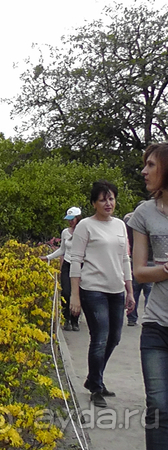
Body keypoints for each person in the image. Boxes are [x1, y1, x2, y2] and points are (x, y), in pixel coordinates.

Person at [69, 180, 136, 409]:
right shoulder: (85, 226)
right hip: (93, 289)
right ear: (94, 203)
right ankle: (96, 387)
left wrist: (130, 290)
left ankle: (94, 377)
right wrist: (74, 296)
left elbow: (125, 258)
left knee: (114, 337)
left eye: (111, 198)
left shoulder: (120, 225)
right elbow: (75, 260)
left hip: (116, 289)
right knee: (100, 337)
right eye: (102, 199)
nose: (108, 203)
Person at [129, 142, 168, 448]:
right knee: (157, 406)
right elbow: (140, 271)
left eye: (151, 165)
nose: (144, 171)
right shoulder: (144, 213)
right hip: (156, 325)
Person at [41, 206, 82, 331]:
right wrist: (48, 257)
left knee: (79, 293)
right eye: (69, 219)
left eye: (72, 219)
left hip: (81, 265)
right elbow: (62, 249)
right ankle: (67, 319)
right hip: (68, 264)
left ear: (78, 218)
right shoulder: (65, 232)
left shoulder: (84, 231)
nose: (70, 222)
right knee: (66, 292)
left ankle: (76, 321)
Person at [124, 202, 153, 326]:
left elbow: (126, 218)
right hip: (150, 260)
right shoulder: (151, 223)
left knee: (135, 290)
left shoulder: (130, 224)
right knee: (148, 292)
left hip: (135, 260)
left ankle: (132, 318)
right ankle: (148, 317)